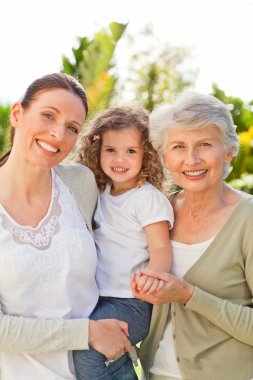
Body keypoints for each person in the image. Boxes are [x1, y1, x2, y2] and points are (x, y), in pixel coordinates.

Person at [0, 72, 132, 380]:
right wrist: (85, 332)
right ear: (18, 113)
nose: (58, 134)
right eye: (48, 115)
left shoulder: (79, 182)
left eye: (72, 128)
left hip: (99, 371)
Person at [131, 91, 253, 380]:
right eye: (178, 146)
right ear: (164, 156)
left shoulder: (248, 219)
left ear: (228, 151)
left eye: (204, 144)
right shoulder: (157, 212)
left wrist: (189, 295)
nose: (191, 159)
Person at [73, 105, 174, 380]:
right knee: (78, 343)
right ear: (97, 150)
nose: (120, 159)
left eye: (131, 151)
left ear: (147, 154)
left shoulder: (147, 198)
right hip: (98, 298)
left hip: (132, 301)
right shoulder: (101, 190)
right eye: (110, 150)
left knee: (84, 348)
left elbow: (161, 248)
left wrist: (155, 277)